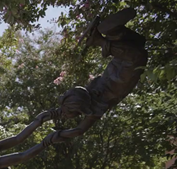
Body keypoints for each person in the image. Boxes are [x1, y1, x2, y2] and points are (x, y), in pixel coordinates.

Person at [48, 8, 148, 142]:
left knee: (128, 41)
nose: (64, 115)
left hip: (125, 63)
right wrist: (56, 132)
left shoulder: (93, 103)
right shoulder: (92, 102)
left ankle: (106, 37)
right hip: (126, 62)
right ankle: (101, 38)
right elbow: (78, 128)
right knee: (132, 49)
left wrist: (54, 129)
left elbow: (78, 129)